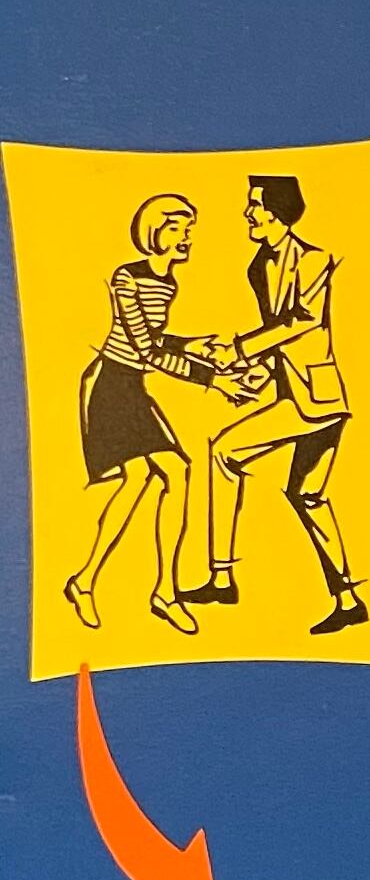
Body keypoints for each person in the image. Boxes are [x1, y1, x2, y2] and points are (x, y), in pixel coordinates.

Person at [67, 191, 247, 635]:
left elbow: (154, 339)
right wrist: (211, 377)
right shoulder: (126, 277)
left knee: (159, 476)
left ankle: (111, 584)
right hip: (109, 387)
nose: (185, 237)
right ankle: (137, 589)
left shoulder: (168, 283)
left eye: (189, 229)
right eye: (176, 227)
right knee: (165, 473)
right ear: (153, 232)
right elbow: (145, 349)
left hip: (131, 386)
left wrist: (193, 344)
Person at [196, 175, 365, 634]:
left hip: (318, 399)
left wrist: (238, 350)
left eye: (255, 205)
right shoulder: (257, 266)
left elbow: (303, 323)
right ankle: (349, 600)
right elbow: (279, 338)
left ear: (277, 210)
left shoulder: (314, 260)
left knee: (223, 451)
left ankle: (222, 577)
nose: (248, 214)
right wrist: (257, 374)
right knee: (308, 496)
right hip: (293, 392)